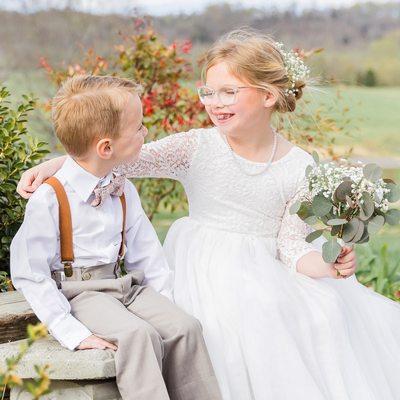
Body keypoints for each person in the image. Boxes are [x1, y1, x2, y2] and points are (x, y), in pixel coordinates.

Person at [18, 30, 400, 399]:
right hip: (199, 266)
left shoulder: (299, 167)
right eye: (208, 92)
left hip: (264, 270)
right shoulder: (196, 147)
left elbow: (291, 244)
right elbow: (112, 157)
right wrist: (56, 165)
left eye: (229, 92)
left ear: (268, 95)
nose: (214, 102)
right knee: (213, 323)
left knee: (310, 313)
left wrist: (328, 266)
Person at [11, 75, 222, 400]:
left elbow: (147, 257)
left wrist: (166, 304)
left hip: (125, 287)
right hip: (81, 294)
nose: (146, 132)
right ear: (106, 147)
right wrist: (71, 332)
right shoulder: (50, 198)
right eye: (138, 127)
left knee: (185, 328)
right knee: (138, 336)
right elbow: (30, 273)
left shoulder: (122, 188)